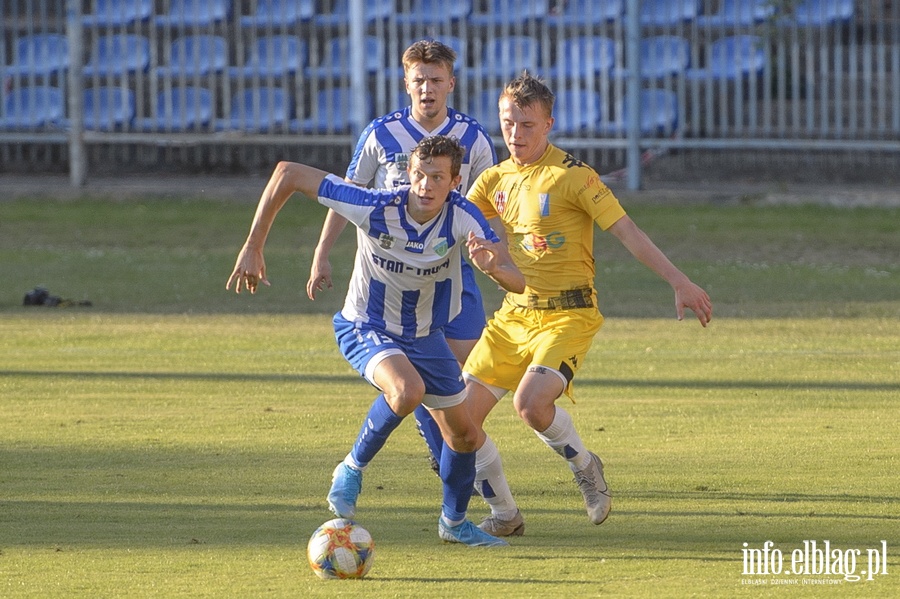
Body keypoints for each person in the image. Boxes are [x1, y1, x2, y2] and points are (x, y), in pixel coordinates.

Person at [226, 135, 524, 547]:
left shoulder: (464, 218)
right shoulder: (376, 204)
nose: (424, 185)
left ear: (455, 181)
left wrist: (492, 267)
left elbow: (517, 279)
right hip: (366, 325)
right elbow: (287, 173)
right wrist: (252, 246)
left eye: (437, 177)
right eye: (419, 174)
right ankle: (350, 470)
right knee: (407, 390)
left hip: (425, 337)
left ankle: (453, 524)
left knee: (465, 435)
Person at [460, 73, 714, 537]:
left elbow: (628, 233)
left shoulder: (573, 177)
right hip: (513, 316)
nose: (515, 134)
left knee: (532, 404)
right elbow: (458, 226)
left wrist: (679, 281)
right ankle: (504, 516)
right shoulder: (491, 181)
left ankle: (585, 465)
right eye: (508, 123)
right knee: (458, 423)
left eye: (527, 125)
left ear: (549, 124)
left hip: (568, 313)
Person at [305, 39, 498, 473]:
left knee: (464, 371)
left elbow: (488, 203)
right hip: (391, 277)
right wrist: (322, 253)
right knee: (423, 375)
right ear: (405, 83)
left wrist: (498, 253)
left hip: (451, 273)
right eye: (418, 80)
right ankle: (445, 453)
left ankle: (445, 438)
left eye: (435, 79)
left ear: (451, 82)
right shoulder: (380, 134)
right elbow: (345, 196)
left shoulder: (473, 138)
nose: (427, 88)